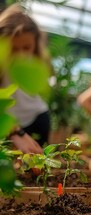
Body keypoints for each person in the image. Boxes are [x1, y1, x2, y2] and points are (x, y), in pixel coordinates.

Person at [0, 4, 50, 154]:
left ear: (35, 46)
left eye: (27, 48)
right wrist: (15, 132)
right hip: (7, 126)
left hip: (37, 118)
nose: (21, 55)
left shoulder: (38, 64)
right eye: (14, 49)